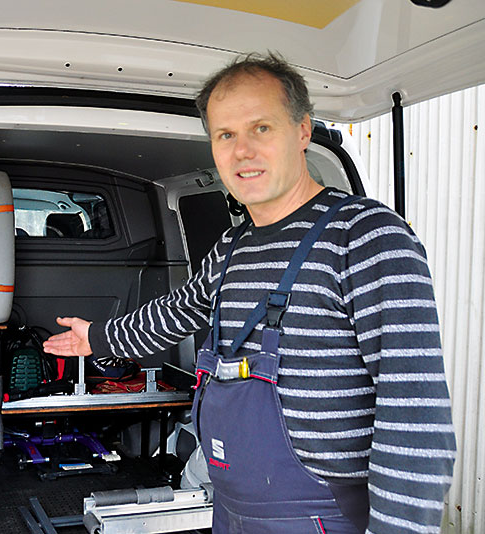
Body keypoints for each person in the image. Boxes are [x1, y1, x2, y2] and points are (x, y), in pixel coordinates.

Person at [43, 53, 455, 534]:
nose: (242, 151)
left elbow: (415, 418)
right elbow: (182, 309)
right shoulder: (233, 245)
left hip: (323, 519)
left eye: (261, 128)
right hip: (231, 510)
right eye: (226, 135)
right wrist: (101, 338)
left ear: (303, 131)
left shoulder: (366, 238)